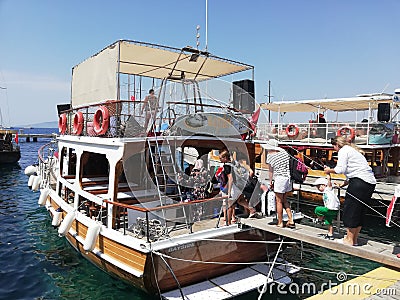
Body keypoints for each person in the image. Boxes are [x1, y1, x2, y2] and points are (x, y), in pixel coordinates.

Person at [324, 136, 376, 246]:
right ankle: (354, 239)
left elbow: (340, 169)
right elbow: (352, 171)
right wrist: (343, 184)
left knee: (351, 210)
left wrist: (329, 170)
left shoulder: (343, 151)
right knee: (360, 211)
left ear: (336, 145)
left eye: (334, 147)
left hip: (359, 183)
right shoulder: (353, 151)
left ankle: (349, 240)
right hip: (369, 183)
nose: (334, 149)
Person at [262, 139, 295, 228]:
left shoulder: (270, 156)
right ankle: (290, 220)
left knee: (279, 201)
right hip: (288, 178)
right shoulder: (284, 152)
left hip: (280, 178)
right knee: (285, 200)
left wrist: (270, 181)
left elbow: (270, 171)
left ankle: (280, 222)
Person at [313, 175, 340, 240]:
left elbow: (329, 184)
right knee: (329, 222)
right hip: (333, 210)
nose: (318, 189)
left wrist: (328, 176)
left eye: (319, 187)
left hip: (330, 209)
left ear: (324, 185)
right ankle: (330, 234)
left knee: (317, 209)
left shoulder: (328, 189)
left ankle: (320, 219)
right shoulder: (326, 192)